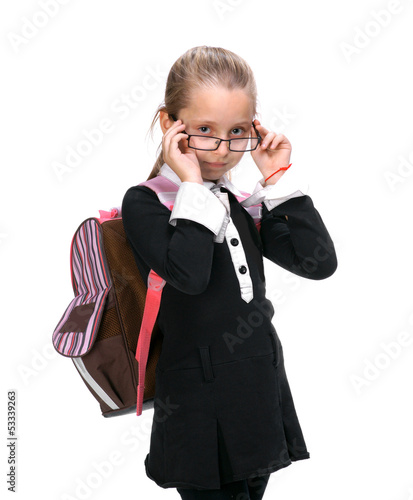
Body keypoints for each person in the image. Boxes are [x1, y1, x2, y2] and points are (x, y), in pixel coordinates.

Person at [121, 45, 337, 499]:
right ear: (170, 125)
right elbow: (189, 275)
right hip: (197, 402)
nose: (223, 149)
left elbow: (318, 263)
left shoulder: (239, 204)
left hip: (257, 386)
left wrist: (276, 180)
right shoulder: (147, 203)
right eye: (205, 130)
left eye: (237, 131)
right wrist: (193, 186)